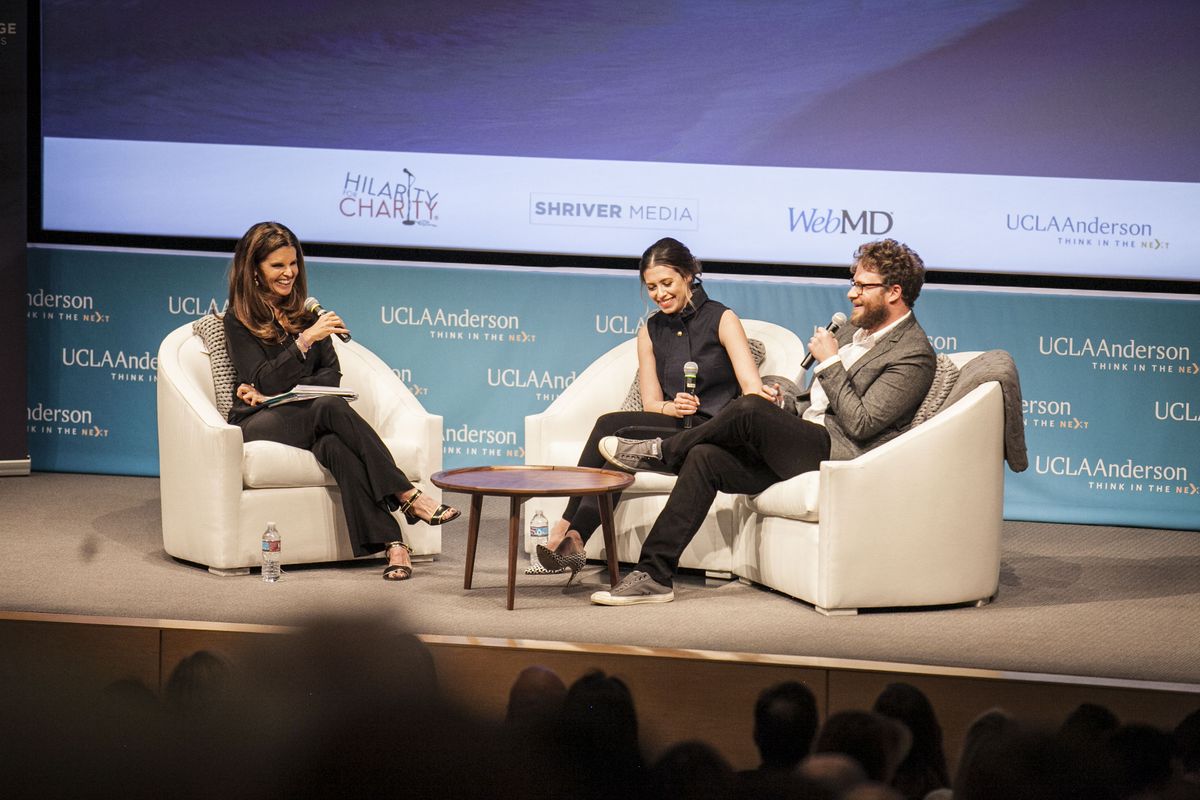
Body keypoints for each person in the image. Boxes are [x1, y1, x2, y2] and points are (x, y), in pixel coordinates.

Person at [591, 238, 936, 605]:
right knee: (705, 456)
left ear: (894, 292)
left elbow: (863, 424)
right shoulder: (854, 333)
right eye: (853, 283)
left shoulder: (912, 353)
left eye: (863, 286)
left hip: (838, 452)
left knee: (749, 408)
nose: (852, 294)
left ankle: (661, 451)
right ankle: (655, 575)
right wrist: (784, 400)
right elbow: (814, 402)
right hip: (802, 439)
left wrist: (830, 363)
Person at [223, 221, 458, 581]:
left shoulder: (308, 312)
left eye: (293, 264)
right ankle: (407, 494)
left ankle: (394, 544)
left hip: (307, 413)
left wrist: (283, 385)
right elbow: (263, 379)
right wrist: (303, 343)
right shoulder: (239, 319)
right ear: (254, 269)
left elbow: (329, 376)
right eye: (277, 266)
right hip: (259, 420)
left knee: (336, 445)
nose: (289, 273)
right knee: (329, 407)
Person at [536, 236, 777, 583]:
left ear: (689, 275)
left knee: (608, 426)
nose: (660, 293)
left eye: (667, 283)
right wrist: (672, 406)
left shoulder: (722, 319)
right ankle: (574, 540)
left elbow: (752, 388)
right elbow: (651, 403)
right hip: (674, 428)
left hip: (714, 433)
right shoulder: (650, 330)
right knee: (612, 454)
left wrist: (768, 397)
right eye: (652, 287)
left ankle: (564, 527)